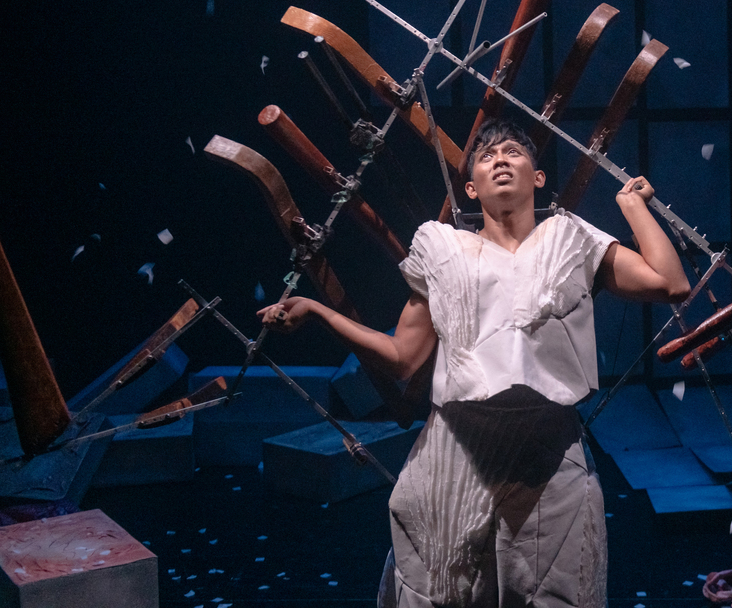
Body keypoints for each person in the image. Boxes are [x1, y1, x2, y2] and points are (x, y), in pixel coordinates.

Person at [258, 119, 690, 608]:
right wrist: (318, 312)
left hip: (548, 452)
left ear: (538, 177)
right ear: (470, 188)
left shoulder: (571, 238)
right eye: (487, 156)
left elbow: (671, 284)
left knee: (560, 591)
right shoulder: (444, 250)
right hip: (457, 449)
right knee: (437, 590)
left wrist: (632, 207)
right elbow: (402, 358)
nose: (500, 159)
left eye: (513, 152)